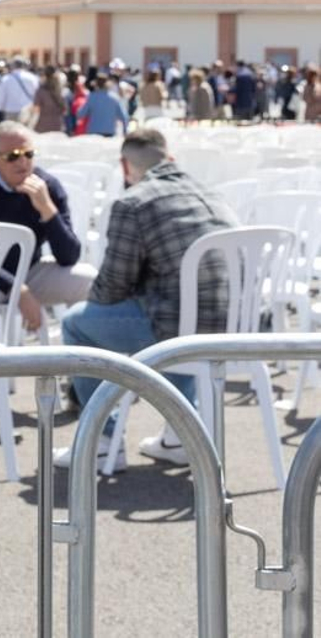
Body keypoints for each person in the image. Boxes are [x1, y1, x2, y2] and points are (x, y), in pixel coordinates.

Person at [54, 128, 235, 470]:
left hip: (179, 327)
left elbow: (111, 288)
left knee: (76, 324)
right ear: (170, 157)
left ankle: (102, 440)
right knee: (178, 311)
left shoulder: (133, 201)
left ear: (125, 166)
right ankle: (179, 434)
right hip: (234, 328)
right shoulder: (213, 194)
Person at [0, 122, 96, 330]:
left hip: (29, 271)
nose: (23, 162)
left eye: (29, 154)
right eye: (12, 156)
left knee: (88, 279)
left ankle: (83, 350)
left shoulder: (47, 186)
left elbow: (69, 256)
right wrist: (17, 290)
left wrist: (47, 210)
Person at [77, 72, 127, 137]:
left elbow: (81, 114)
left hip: (93, 131)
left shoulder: (92, 97)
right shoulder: (115, 98)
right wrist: (125, 130)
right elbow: (123, 116)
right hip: (109, 132)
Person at [0, 56, 38, 124]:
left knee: (11, 132)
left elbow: (1, 96)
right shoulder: (32, 78)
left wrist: (0, 108)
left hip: (11, 110)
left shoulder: (6, 79)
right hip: (28, 110)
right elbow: (36, 94)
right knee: (26, 132)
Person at [31, 66, 66, 134]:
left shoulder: (40, 91)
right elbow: (64, 109)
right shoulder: (60, 90)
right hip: (57, 125)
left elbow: (36, 109)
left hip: (43, 126)